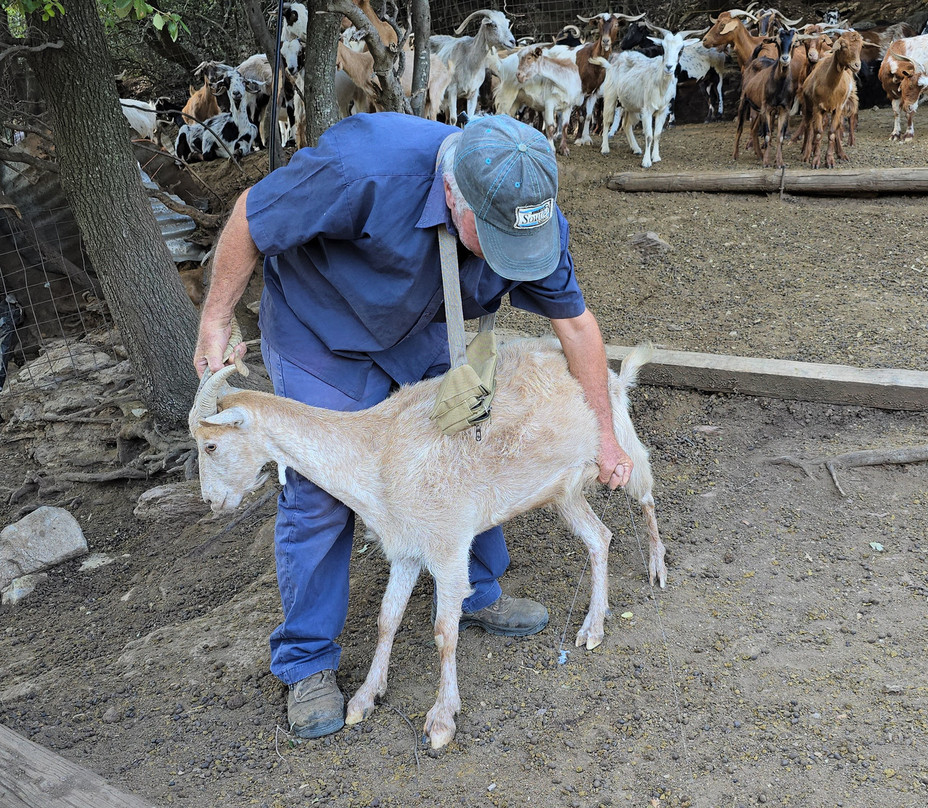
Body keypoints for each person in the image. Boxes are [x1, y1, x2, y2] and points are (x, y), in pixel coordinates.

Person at [193, 112, 634, 740]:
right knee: (322, 495)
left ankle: (473, 590)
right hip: (326, 329)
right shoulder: (363, 171)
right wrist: (217, 315)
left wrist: (605, 436)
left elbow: (577, 327)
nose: (516, 259)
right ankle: (308, 662)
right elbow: (250, 216)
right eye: (500, 243)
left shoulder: (530, 213)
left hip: (430, 325)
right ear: (456, 198)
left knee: (464, 441)